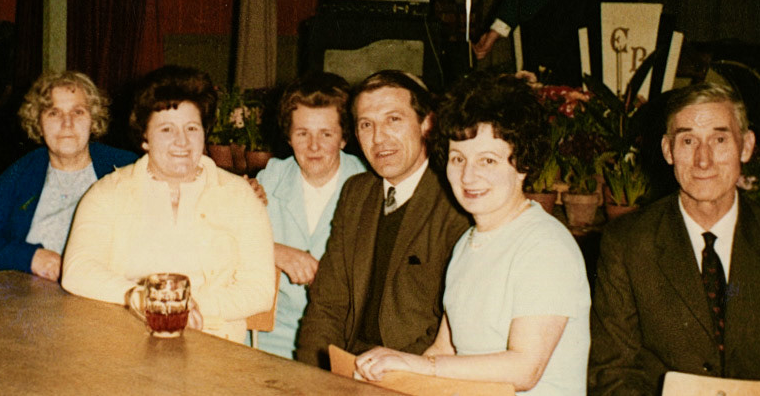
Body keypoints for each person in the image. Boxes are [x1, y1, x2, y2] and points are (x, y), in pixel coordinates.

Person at [354, 72, 591, 394]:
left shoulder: (545, 246)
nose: (468, 175)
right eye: (457, 159)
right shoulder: (468, 244)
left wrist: (418, 366)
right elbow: (443, 350)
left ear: (522, 165)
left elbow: (524, 369)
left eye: (488, 160)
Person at [588, 83, 760, 394]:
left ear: (746, 145)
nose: (703, 160)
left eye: (719, 139)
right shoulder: (627, 243)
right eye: (688, 140)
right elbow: (613, 373)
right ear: (667, 150)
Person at [61, 65, 275, 344]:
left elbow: (259, 289)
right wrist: (143, 299)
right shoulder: (107, 193)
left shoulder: (240, 196)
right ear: (144, 138)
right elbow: (78, 270)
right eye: (166, 129)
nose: (182, 141)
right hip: (123, 346)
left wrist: (194, 308)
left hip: (214, 345)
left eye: (191, 128)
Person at [295, 70, 470, 368]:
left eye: (393, 120)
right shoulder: (358, 193)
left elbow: (448, 331)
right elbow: (327, 306)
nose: (379, 138)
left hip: (413, 372)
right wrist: (311, 379)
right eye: (366, 124)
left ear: (426, 123)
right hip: (346, 369)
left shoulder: (456, 201)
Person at [0, 71, 137, 281]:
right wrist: (31, 258)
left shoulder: (127, 168)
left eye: (78, 112)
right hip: (36, 300)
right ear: (38, 124)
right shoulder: (22, 172)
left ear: (93, 119)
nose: (67, 123)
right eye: (54, 113)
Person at [252, 73, 366, 357]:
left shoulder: (368, 187)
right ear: (289, 137)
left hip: (340, 340)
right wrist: (273, 251)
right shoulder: (270, 179)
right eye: (302, 134)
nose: (313, 146)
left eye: (326, 134)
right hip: (268, 335)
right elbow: (218, 244)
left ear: (343, 138)